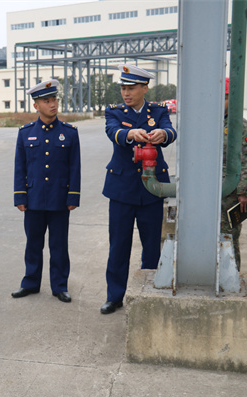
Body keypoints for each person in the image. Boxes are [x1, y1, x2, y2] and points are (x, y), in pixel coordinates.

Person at [101, 64, 177, 314]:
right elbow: (113, 132)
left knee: (152, 247)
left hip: (152, 189)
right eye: (123, 88)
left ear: (145, 88)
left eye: (131, 88)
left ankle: (150, 294)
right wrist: (129, 133)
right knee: (119, 246)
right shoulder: (113, 111)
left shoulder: (158, 110)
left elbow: (170, 130)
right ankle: (115, 296)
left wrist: (162, 134)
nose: (126, 93)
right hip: (122, 190)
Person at [11, 79, 81, 303]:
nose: (53, 105)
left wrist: (73, 196)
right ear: (36, 106)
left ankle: (59, 285)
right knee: (33, 243)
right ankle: (30, 283)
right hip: (33, 199)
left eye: (54, 100)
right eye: (47, 101)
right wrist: (20, 195)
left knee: (59, 245)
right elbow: (20, 167)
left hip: (60, 199)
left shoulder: (69, 133)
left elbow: (75, 167)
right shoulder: (25, 133)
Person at [221, 77, 247, 270]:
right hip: (209, 193)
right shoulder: (208, 124)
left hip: (232, 196)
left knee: (229, 237)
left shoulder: (243, 128)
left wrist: (245, 192)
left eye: (225, 97)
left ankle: (231, 278)